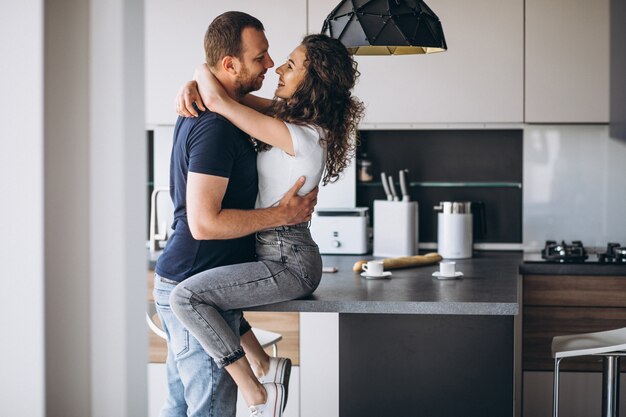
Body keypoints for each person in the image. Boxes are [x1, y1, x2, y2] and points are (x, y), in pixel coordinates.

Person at [170, 33, 364, 416]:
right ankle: (264, 365)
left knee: (187, 298)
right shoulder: (292, 120)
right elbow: (225, 95)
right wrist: (195, 76)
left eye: (291, 65)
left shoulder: (302, 135)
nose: (278, 67)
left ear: (311, 82)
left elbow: (220, 100)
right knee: (211, 296)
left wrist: (200, 74)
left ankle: (256, 390)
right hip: (277, 251)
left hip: (288, 261)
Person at [153, 11, 318, 417]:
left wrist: (197, 75)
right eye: (260, 56)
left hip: (194, 277)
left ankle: (262, 367)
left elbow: (230, 98)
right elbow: (204, 223)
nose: (269, 63)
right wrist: (280, 215)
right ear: (230, 65)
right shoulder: (217, 127)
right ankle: (260, 376)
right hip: (192, 276)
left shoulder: (227, 111)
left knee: (179, 408)